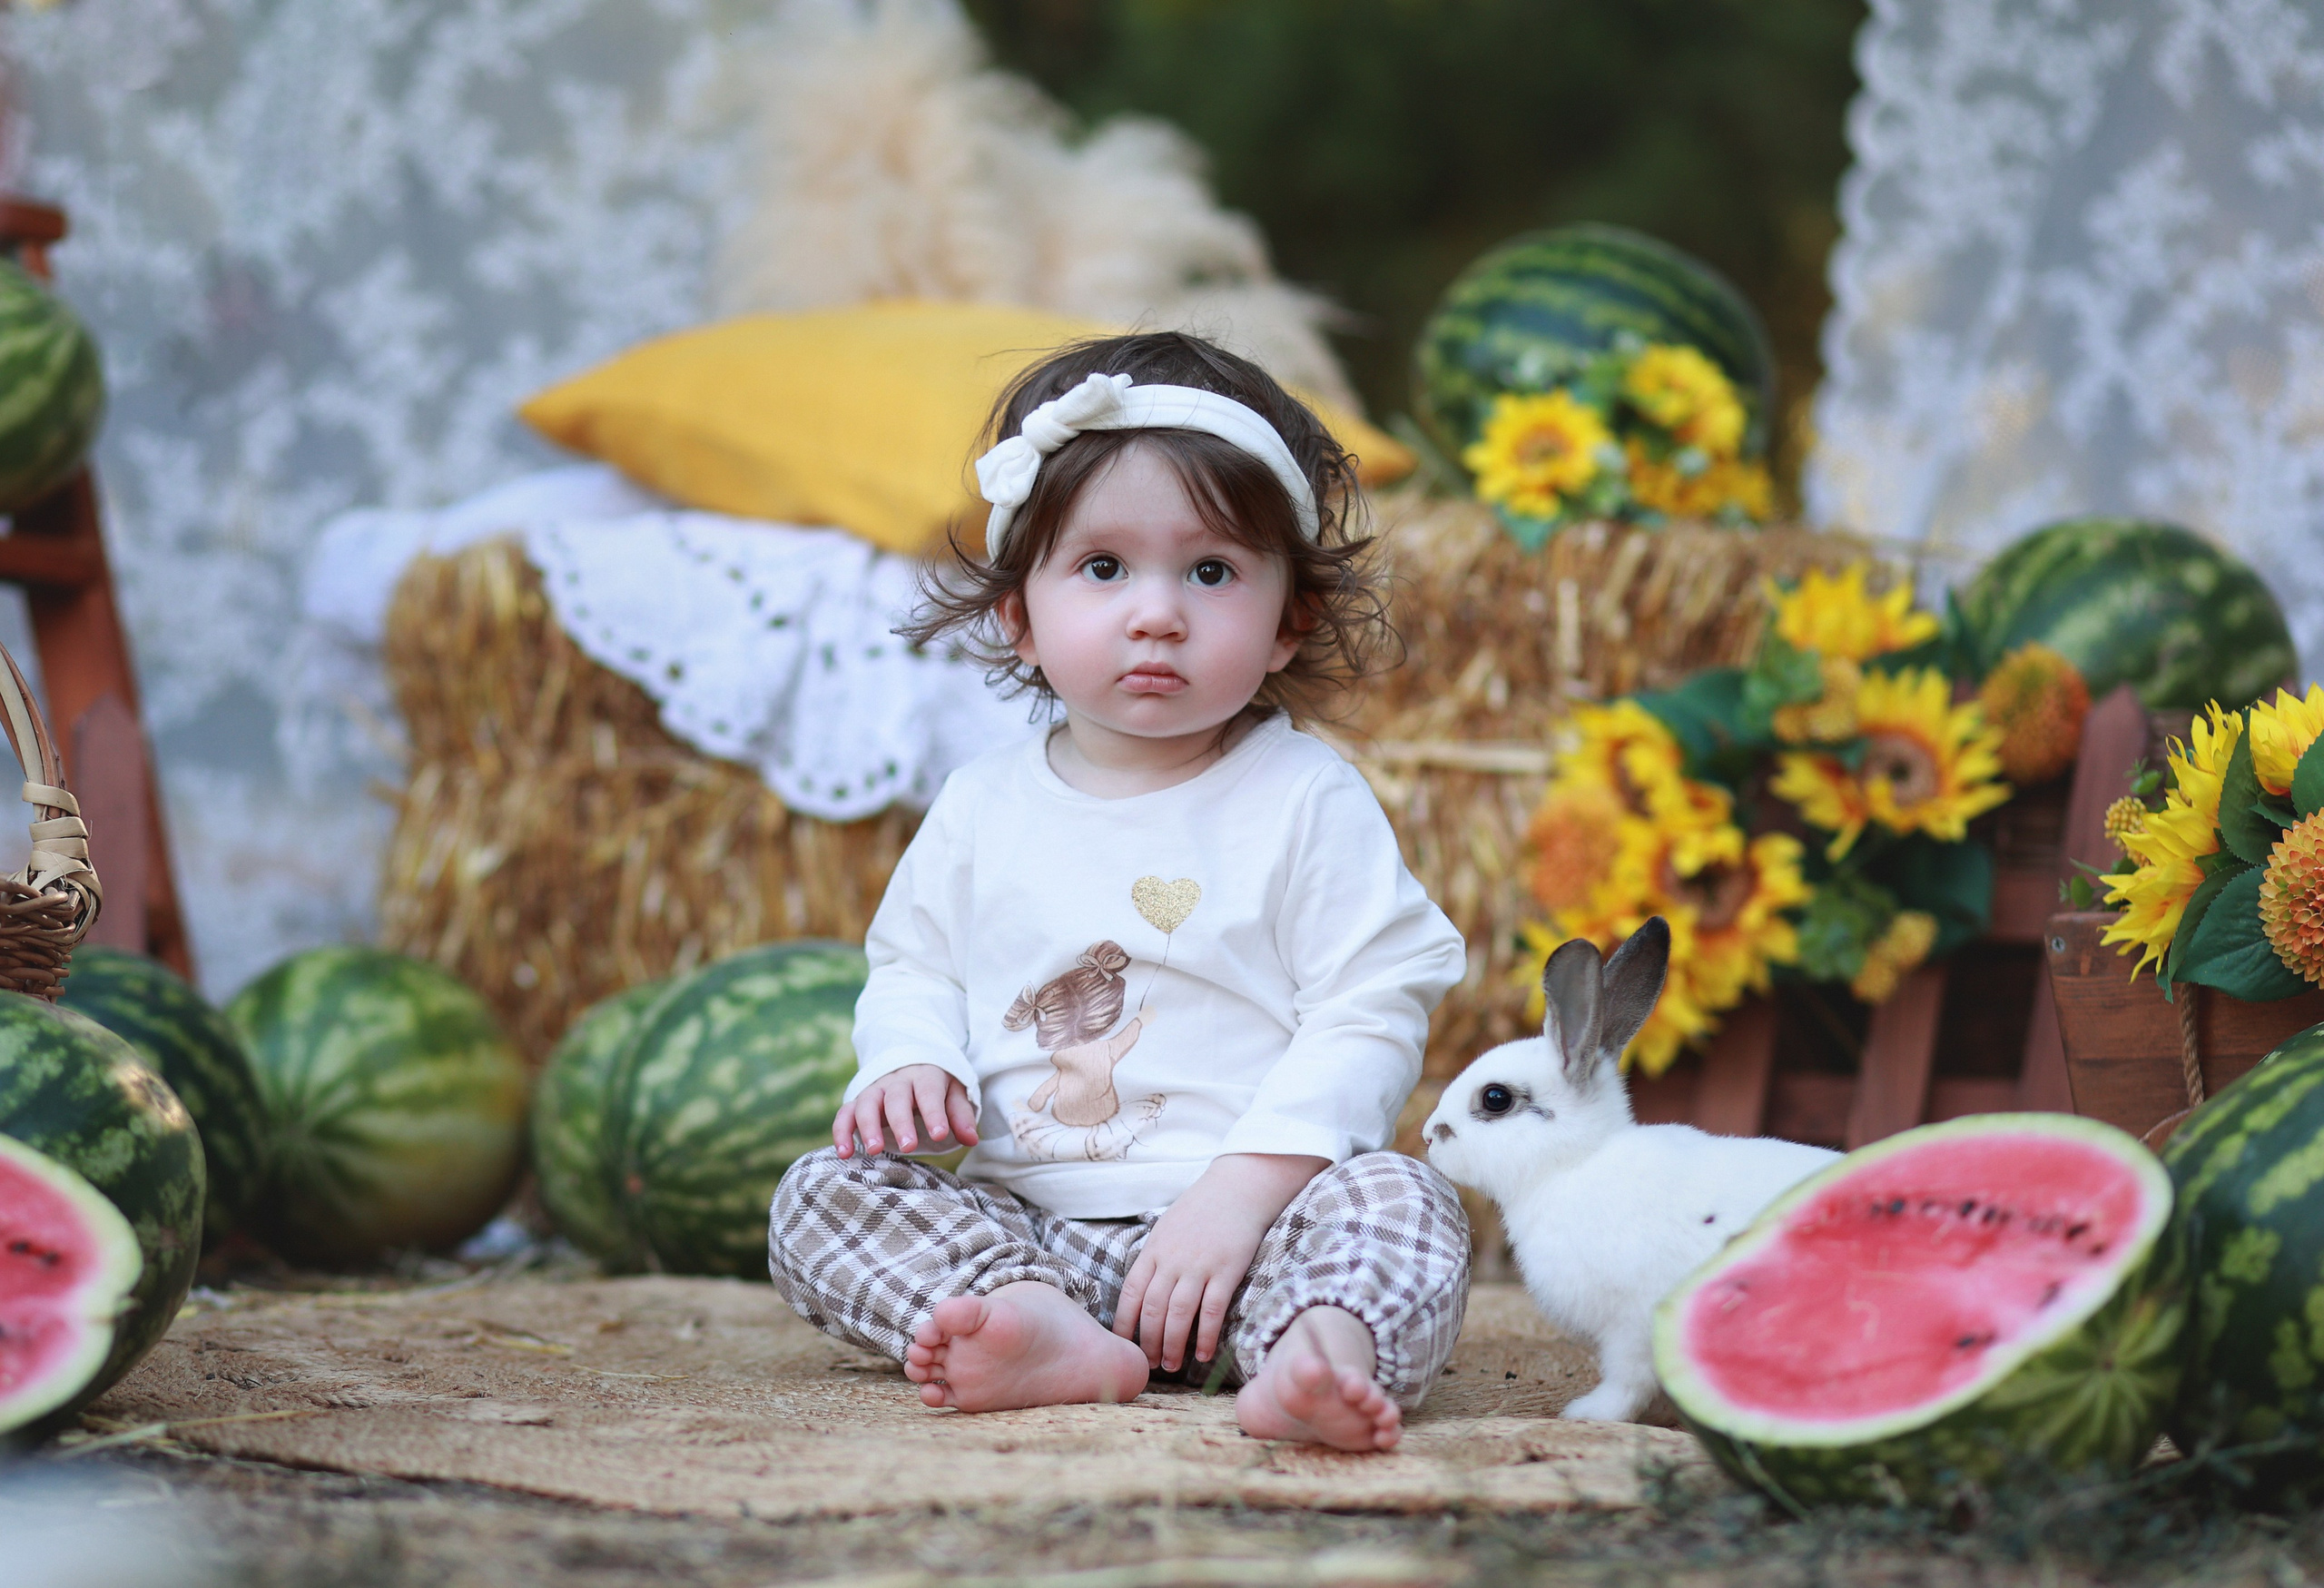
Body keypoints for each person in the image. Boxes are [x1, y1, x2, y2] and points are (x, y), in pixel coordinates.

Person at [767, 331, 1471, 1452]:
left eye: (1211, 571)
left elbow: (1370, 1001)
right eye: (1103, 568)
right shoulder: (982, 804)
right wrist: (911, 1058)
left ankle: (1316, 1350)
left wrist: (1238, 1196)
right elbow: (917, 964)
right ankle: (1037, 1330)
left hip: (1253, 1239)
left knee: (1399, 1199)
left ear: (1289, 618)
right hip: (1027, 1226)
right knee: (820, 1194)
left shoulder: (1301, 797)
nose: (1157, 613)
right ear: (1018, 616)